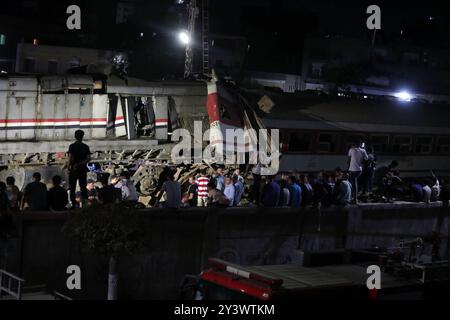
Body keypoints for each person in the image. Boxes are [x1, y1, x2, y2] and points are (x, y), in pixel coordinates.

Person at [67, 130, 91, 208]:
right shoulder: (85, 147)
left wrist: (69, 167)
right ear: (82, 137)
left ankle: (73, 205)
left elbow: (70, 158)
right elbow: (88, 159)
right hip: (82, 169)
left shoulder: (72, 146)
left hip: (74, 169)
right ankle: (85, 204)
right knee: (83, 187)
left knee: (72, 187)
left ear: (75, 136)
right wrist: (80, 164)